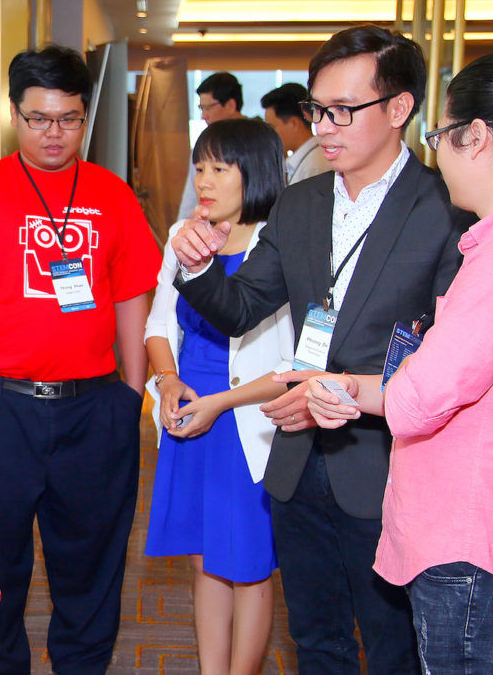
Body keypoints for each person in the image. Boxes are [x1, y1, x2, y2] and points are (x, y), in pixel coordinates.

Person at [169, 25, 468, 673]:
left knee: (393, 648)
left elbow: (455, 353)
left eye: (343, 111)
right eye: (316, 109)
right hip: (297, 461)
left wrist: (351, 392)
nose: (324, 126)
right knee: (316, 638)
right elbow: (245, 304)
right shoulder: (301, 203)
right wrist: (196, 269)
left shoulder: (444, 210)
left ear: (399, 109)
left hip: (390, 464)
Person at [299, 35, 493, 673]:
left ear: (476, 138)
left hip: (476, 545)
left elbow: (418, 399)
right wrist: (349, 386)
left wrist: (354, 389)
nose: (440, 158)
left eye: (442, 137)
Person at [0, 45, 160, 674]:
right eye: (38, 119)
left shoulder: (113, 196)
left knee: (93, 563)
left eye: (69, 119)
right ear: (15, 115)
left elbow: (133, 300)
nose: (54, 133)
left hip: (93, 408)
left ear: (86, 118)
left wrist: (131, 395)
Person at [144, 118, 294, 674]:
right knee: (205, 560)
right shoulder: (185, 234)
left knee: (250, 567)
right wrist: (167, 381)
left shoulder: (275, 244)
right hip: (188, 412)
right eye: (199, 166)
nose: (204, 179)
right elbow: (157, 325)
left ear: (251, 172)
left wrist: (217, 405)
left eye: (219, 168)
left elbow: (291, 362)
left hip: (247, 421)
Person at [177, 72, 247, 220]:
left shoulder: (258, 143)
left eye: (208, 108)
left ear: (230, 105)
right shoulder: (204, 144)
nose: (204, 116)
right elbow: (190, 199)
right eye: (201, 108)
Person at [261, 82, 331, 184]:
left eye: (272, 127)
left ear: (293, 123)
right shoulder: (306, 159)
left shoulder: (315, 166)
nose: (270, 135)